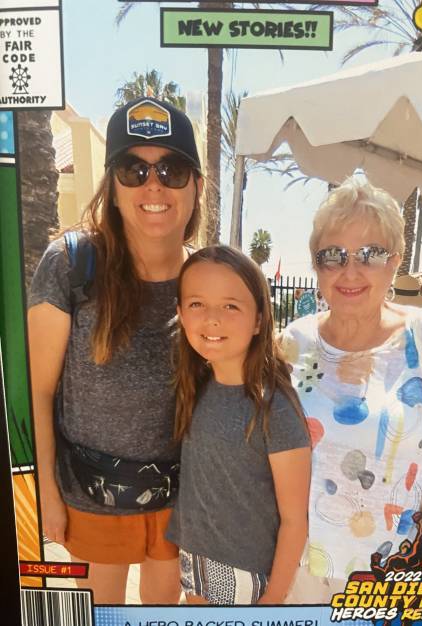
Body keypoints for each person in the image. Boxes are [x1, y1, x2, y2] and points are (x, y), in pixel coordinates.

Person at [27, 96, 203, 604]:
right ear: (113, 185)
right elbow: (38, 391)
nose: (154, 185)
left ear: (196, 185)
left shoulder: (209, 279)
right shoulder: (71, 264)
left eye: (171, 170)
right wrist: (47, 494)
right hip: (92, 497)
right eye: (134, 169)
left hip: (181, 498)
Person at [280, 176, 422, 603]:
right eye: (333, 255)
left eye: (370, 254)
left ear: (395, 262)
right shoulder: (291, 342)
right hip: (297, 565)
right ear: (316, 265)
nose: (350, 271)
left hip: (392, 567)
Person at [166, 245, 311, 605]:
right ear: (180, 313)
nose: (212, 319)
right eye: (197, 304)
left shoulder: (274, 408)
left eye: (230, 306)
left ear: (259, 320)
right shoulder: (194, 386)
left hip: (246, 575)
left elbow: (295, 520)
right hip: (193, 562)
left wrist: (272, 600)